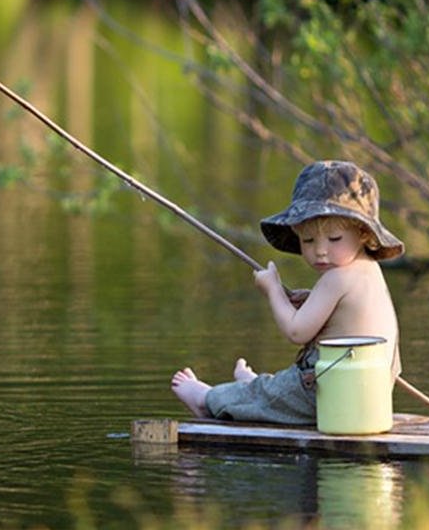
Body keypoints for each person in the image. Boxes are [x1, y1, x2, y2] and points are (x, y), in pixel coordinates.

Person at [171, 160, 405, 424]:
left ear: (363, 234)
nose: (320, 250)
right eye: (308, 240)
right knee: (275, 390)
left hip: (327, 394)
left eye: (334, 239)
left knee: (269, 396)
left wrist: (273, 290)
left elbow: (297, 331)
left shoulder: (336, 278)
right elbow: (346, 317)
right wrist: (310, 299)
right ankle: (255, 386)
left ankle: (207, 399)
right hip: (367, 395)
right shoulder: (369, 271)